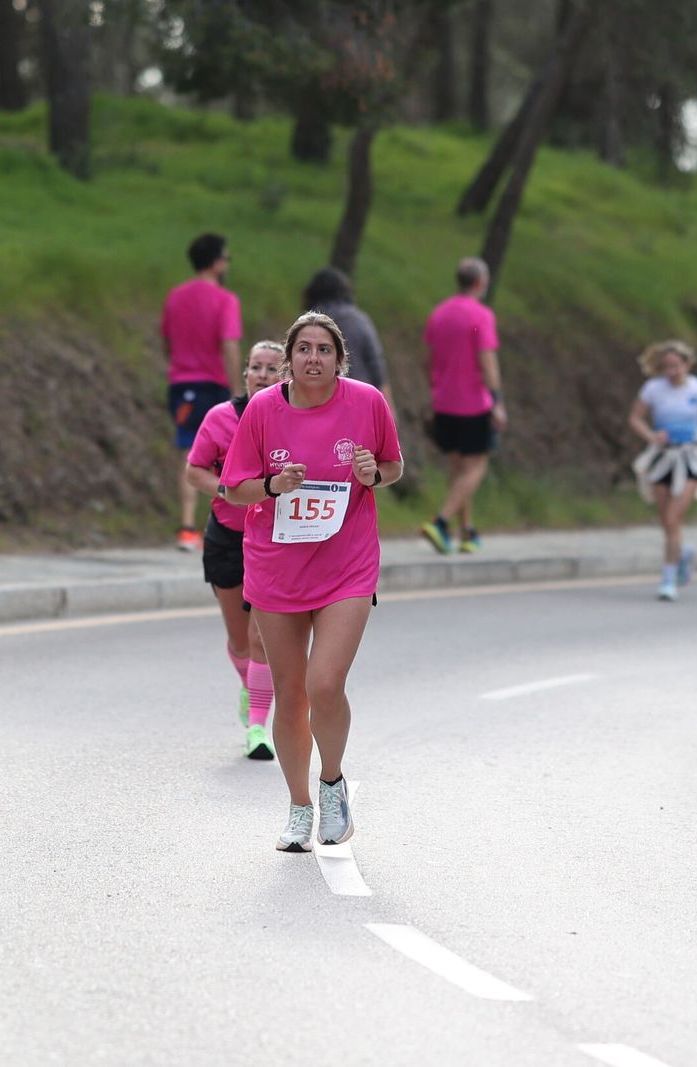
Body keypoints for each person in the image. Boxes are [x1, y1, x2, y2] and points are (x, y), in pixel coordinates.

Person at [220, 312, 403, 853]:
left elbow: (393, 466)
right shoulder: (262, 410)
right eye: (304, 349)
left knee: (325, 684)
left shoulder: (367, 402)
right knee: (290, 694)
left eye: (325, 349)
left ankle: (332, 785)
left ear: (339, 359)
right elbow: (235, 491)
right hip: (277, 566)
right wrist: (274, 485)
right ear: (289, 359)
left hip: (346, 562)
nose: (314, 359)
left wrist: (373, 475)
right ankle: (299, 807)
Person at [185, 341, 284, 760]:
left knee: (260, 639)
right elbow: (194, 470)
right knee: (240, 641)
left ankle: (258, 729)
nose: (262, 375)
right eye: (255, 367)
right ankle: (251, 687)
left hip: (275, 541)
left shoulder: (294, 422)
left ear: (287, 376)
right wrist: (227, 490)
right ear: (244, 374)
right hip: (226, 537)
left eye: (271, 369)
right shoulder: (220, 418)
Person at [162, 233, 242, 552]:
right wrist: (238, 388)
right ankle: (218, 525)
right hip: (212, 384)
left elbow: (166, 341)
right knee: (223, 456)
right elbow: (230, 345)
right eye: (226, 258)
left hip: (181, 385)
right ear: (217, 261)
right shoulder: (225, 300)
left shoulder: (175, 297)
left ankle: (187, 526)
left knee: (189, 450)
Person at [420, 257, 504, 555]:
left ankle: (467, 532)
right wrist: (496, 401)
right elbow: (487, 359)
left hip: (444, 402)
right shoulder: (480, 316)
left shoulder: (439, 314)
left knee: (458, 469)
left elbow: (427, 360)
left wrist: (436, 389)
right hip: (473, 403)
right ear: (480, 283)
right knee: (477, 465)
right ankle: (441, 522)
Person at [628, 340, 697, 602]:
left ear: (687, 365)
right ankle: (682, 554)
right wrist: (651, 435)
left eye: (676, 366)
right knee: (667, 522)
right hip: (663, 457)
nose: (671, 371)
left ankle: (668, 578)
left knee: (673, 518)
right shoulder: (653, 390)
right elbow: (635, 417)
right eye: (666, 367)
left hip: (690, 457)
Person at [301, 266, 393, 407]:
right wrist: (389, 408)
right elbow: (376, 365)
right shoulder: (359, 320)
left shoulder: (307, 323)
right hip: (360, 399)